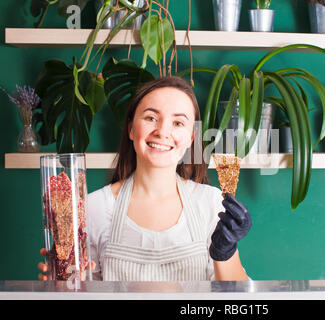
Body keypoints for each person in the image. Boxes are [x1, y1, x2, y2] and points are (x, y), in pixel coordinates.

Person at [38, 76, 252, 281]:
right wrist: (61, 283)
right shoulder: (94, 208)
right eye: (151, 118)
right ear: (131, 129)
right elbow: (79, 291)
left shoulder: (210, 203)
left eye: (178, 123)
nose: (162, 131)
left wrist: (225, 252)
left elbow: (237, 300)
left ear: (191, 138)